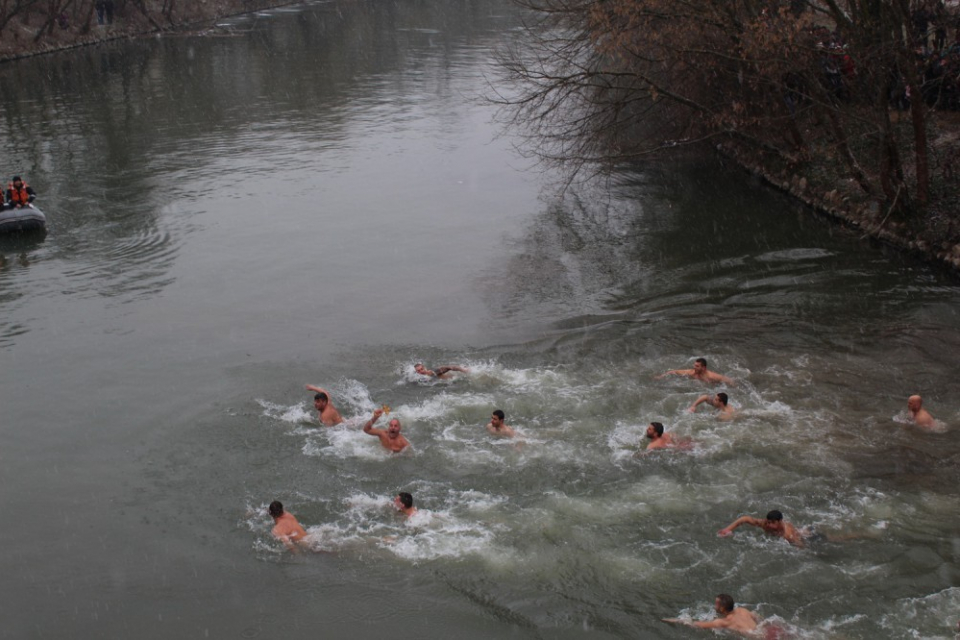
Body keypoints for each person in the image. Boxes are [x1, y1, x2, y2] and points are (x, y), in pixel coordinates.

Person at [663, 594, 760, 635]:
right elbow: (757, 617)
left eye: (716, 604)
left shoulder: (724, 622)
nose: (714, 606)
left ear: (722, 608)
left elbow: (697, 624)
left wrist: (678, 620)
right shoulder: (742, 610)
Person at [718, 509, 808, 548]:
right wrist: (727, 529)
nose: (769, 525)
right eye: (768, 522)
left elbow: (800, 545)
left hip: (799, 534)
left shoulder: (787, 534)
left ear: (780, 521)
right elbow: (745, 518)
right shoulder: (765, 523)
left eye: (773, 523)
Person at [656, 358, 733, 385]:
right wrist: (661, 376)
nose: (694, 367)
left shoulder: (711, 376)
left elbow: (729, 380)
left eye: (697, 366)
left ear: (703, 368)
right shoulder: (691, 372)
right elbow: (674, 372)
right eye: (694, 365)